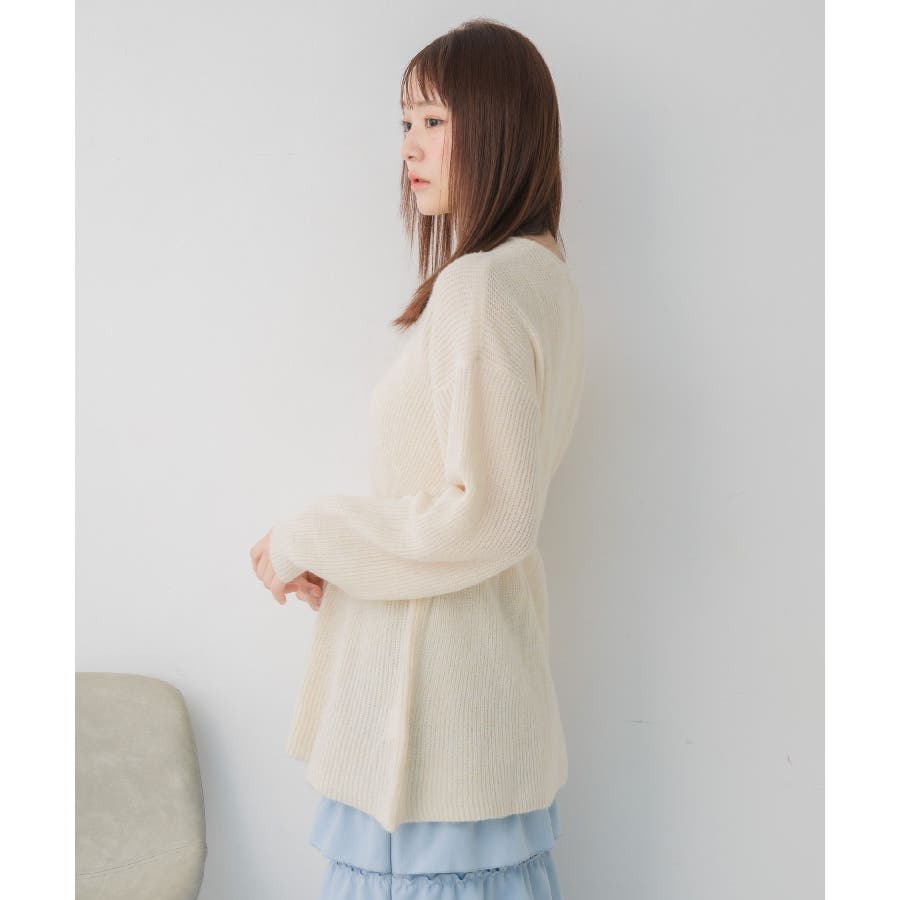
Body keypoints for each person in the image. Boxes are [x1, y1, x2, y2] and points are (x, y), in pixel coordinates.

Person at [249, 17, 585, 900]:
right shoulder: (542, 278)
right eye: (406, 122)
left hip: (433, 737)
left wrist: (309, 533)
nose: (410, 146)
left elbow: (491, 516)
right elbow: (478, 507)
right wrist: (351, 565)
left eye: (435, 121)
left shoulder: (483, 284)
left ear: (499, 125)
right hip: (470, 717)